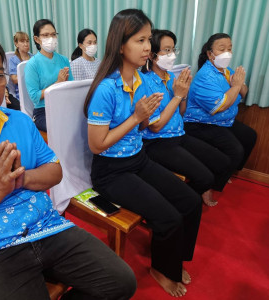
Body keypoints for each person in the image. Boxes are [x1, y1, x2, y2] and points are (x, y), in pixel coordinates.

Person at [0, 22, 136, 300]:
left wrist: (22, 178)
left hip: (46, 227)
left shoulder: (18, 120)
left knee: (121, 282)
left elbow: (54, 172)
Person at [84, 9, 202, 297]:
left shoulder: (139, 81)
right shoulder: (106, 88)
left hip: (138, 160)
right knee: (170, 217)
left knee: (191, 201)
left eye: (149, 39)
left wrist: (170, 99)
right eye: (140, 40)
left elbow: (153, 125)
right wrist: (136, 118)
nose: (148, 47)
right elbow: (97, 145)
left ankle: (174, 259)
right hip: (111, 171)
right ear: (121, 45)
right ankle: (162, 269)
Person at [141, 29, 231, 207]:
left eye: (173, 49)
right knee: (205, 177)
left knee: (223, 162)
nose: (172, 55)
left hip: (179, 134)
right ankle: (183, 201)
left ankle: (188, 197)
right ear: (152, 55)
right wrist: (177, 96)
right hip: (158, 142)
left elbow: (180, 113)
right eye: (166, 50)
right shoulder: (145, 82)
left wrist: (183, 95)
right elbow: (155, 126)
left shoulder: (171, 77)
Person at [183, 33, 257, 189]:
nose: (227, 53)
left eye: (229, 49)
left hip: (223, 121)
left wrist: (239, 84)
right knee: (235, 150)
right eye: (222, 49)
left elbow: (243, 92)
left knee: (249, 136)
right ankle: (211, 186)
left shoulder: (226, 70)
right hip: (200, 124)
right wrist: (236, 86)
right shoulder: (205, 76)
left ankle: (226, 172)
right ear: (210, 54)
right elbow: (218, 107)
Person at [25, 19, 73, 132]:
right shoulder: (32, 64)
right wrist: (57, 84)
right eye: (46, 35)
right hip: (43, 111)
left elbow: (71, 86)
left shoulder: (63, 60)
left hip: (63, 106)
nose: (51, 38)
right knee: (61, 128)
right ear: (36, 39)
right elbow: (35, 97)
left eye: (53, 35)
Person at [9, 31, 33, 100]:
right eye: (22, 41)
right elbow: (15, 80)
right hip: (22, 94)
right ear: (16, 44)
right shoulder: (14, 60)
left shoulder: (33, 57)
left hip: (34, 91)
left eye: (27, 41)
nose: (26, 44)